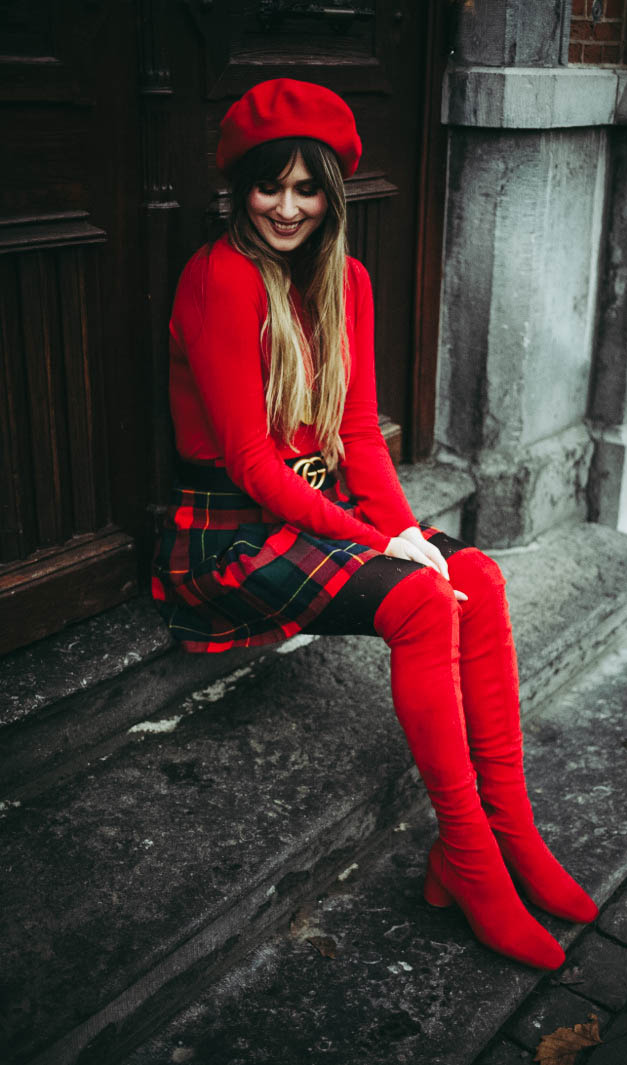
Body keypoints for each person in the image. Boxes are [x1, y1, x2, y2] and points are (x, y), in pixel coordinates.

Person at [152, 78, 598, 971]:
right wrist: (378, 545)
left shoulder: (345, 279)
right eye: (267, 185)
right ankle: (468, 858)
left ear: (332, 194)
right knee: (426, 605)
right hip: (228, 533)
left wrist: (403, 535)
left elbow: (355, 432)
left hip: (313, 512)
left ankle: (509, 834)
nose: (285, 207)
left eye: (305, 187)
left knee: (473, 575)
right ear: (239, 188)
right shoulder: (218, 277)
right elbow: (250, 462)